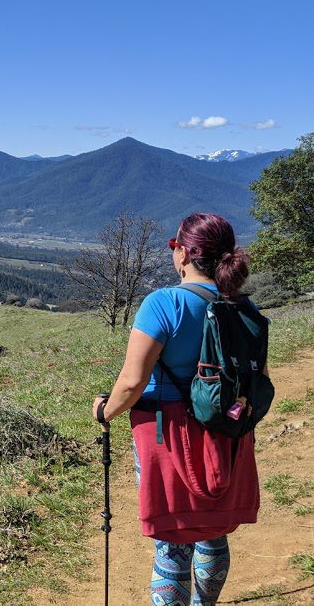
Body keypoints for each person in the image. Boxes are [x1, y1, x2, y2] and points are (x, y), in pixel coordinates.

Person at [91, 212, 262, 606]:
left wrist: (104, 411)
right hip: (227, 433)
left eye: (174, 247)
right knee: (213, 530)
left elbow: (132, 382)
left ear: (183, 253)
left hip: (166, 436)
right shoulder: (244, 309)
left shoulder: (162, 304)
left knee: (173, 542)